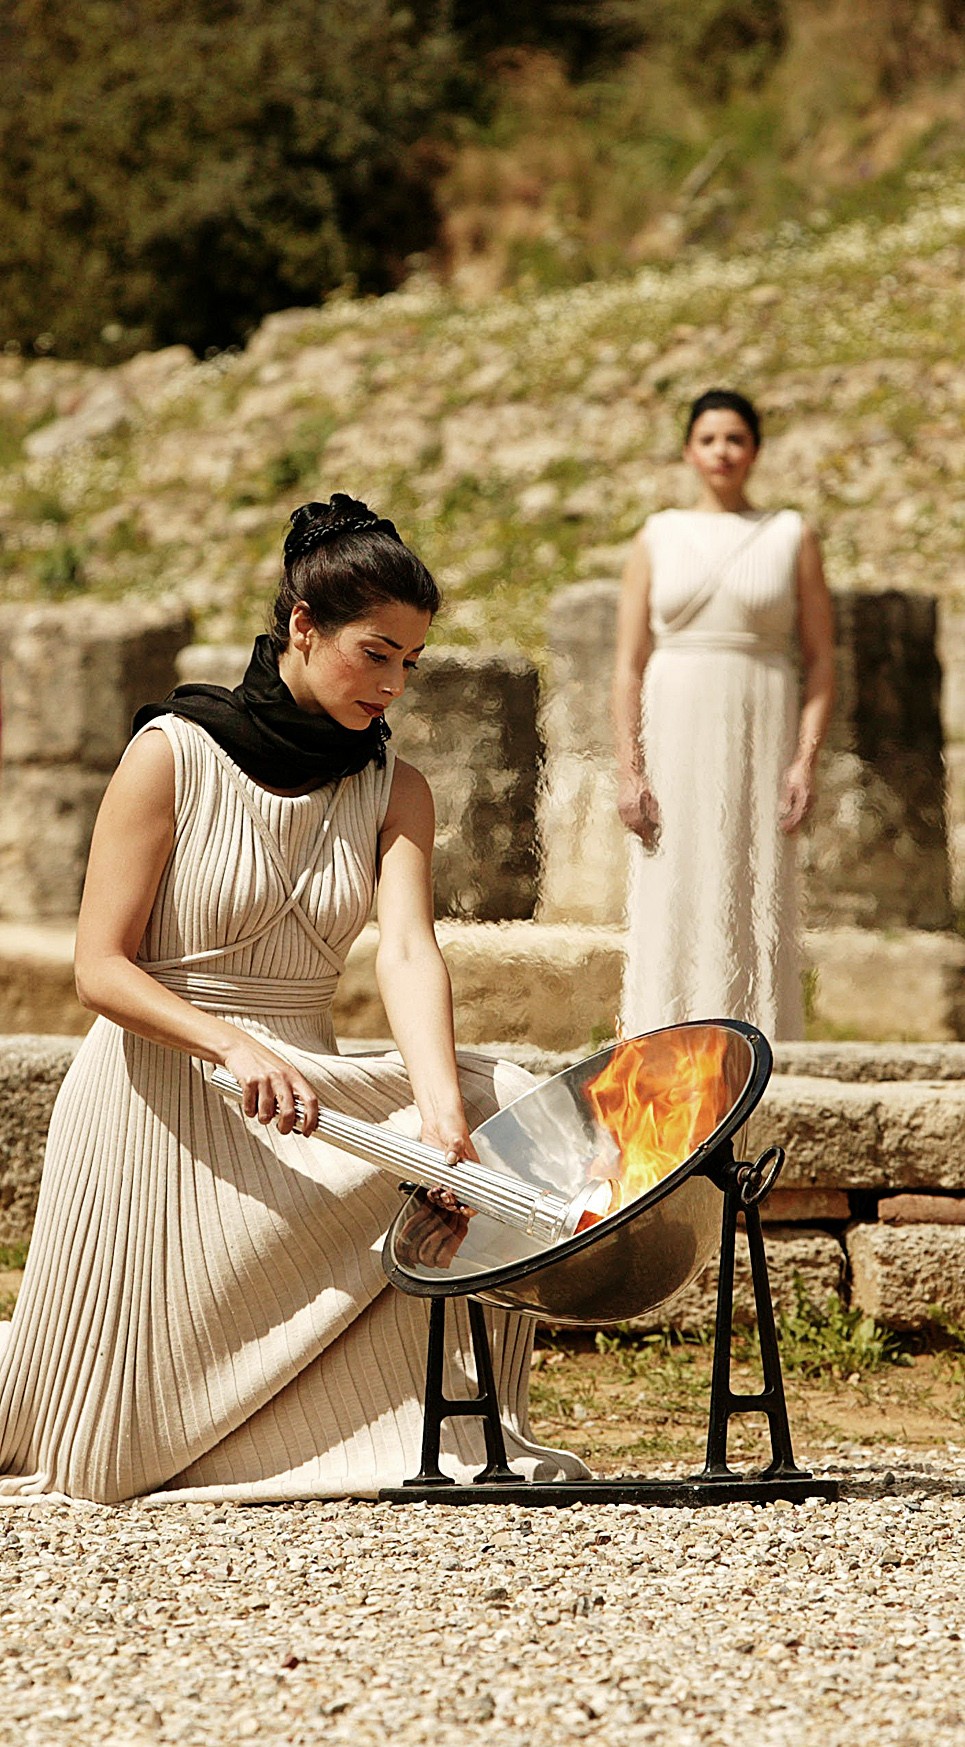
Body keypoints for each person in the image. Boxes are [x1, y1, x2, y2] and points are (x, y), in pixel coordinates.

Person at [0, 494, 584, 1502]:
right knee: (107, 1462)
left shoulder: (395, 787)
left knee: (503, 1103)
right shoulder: (171, 752)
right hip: (160, 1097)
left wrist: (442, 1114)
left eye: (411, 663)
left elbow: (409, 952)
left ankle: (417, 1413)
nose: (392, 685)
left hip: (300, 1099)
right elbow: (100, 968)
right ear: (302, 627)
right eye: (375, 654)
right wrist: (230, 1044)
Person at [612, 389, 835, 1040]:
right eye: (708, 439)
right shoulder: (657, 534)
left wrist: (804, 761)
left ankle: (757, 1047)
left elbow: (822, 661)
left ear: (755, 450)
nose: (722, 452)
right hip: (674, 720)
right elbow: (627, 664)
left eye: (735, 439)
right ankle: (661, 1042)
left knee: (753, 881)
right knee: (673, 879)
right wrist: (630, 768)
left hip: (761, 720)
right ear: (689, 450)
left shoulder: (791, 534)